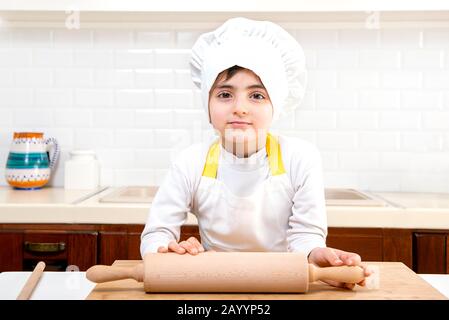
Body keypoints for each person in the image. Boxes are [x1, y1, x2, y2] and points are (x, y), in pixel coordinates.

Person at [141, 17, 372, 289]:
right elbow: (157, 232)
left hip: (283, 284)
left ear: (277, 104)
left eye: (257, 96)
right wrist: (166, 250)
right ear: (207, 102)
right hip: (214, 285)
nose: (240, 108)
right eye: (225, 94)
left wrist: (315, 254)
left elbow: (306, 235)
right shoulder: (190, 162)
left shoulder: (299, 158)